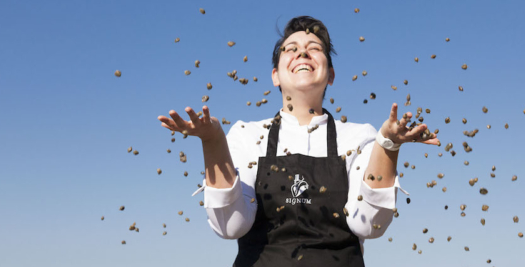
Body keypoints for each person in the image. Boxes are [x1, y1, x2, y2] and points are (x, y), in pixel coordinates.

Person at [157, 16, 440, 266]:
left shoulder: (360, 137)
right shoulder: (247, 135)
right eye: (290, 50)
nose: (303, 51)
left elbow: (371, 225)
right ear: (275, 76)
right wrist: (213, 142)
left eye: (315, 49)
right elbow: (230, 226)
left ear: (330, 75)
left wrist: (388, 145)